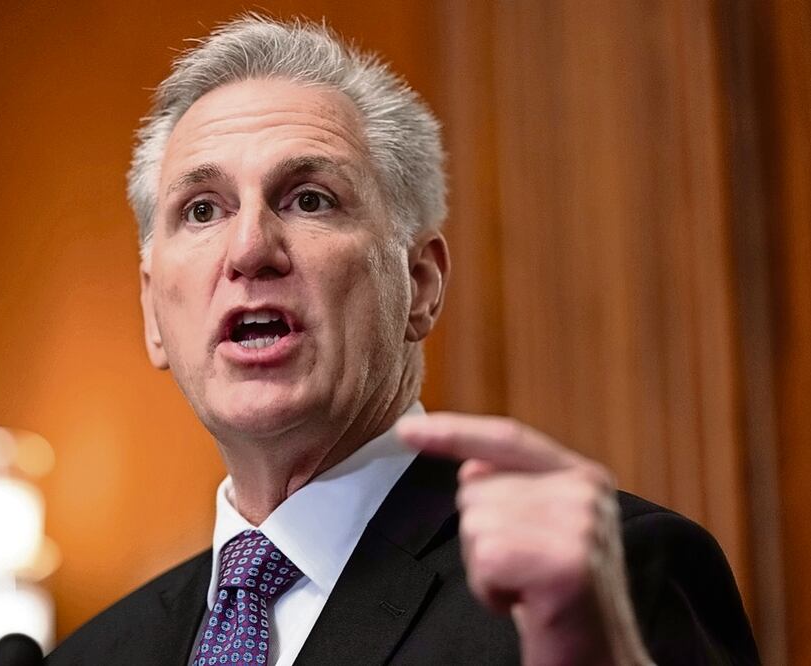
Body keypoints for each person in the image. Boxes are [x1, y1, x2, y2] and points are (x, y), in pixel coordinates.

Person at [44, 16, 758, 665]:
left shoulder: (601, 591)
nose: (250, 246)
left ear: (418, 285)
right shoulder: (93, 655)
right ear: (151, 310)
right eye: (202, 210)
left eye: (309, 199)